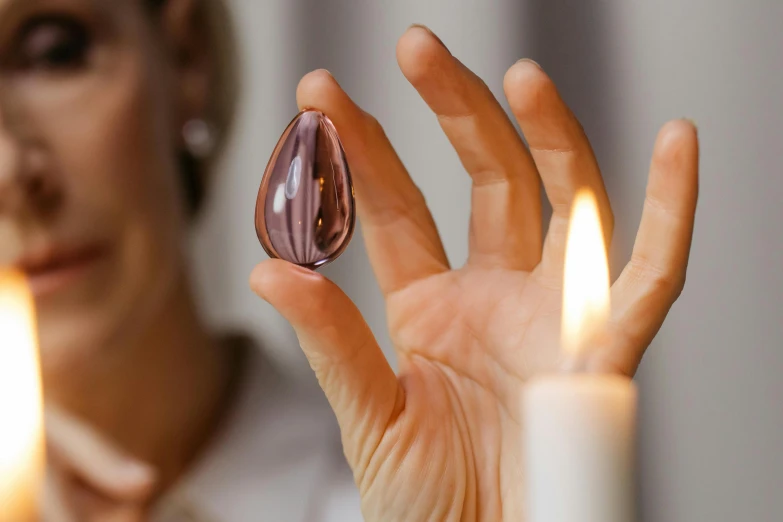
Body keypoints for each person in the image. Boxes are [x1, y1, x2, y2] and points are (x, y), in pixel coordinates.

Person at [0, 0, 699, 520]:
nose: (9, 170)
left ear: (185, 59)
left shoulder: (392, 490)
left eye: (52, 51)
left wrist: (551, 494)